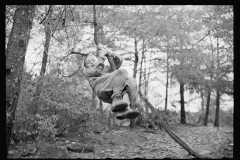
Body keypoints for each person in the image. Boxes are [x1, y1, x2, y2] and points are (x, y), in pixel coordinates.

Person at [83, 44, 139, 120]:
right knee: (122, 72)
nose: (91, 62)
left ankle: (125, 110)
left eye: (93, 60)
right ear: (86, 66)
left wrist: (110, 53)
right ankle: (117, 99)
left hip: (111, 93)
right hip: (101, 88)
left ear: (97, 60)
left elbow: (118, 62)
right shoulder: (87, 71)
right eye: (88, 62)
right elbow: (97, 71)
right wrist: (102, 55)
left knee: (130, 81)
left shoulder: (105, 70)